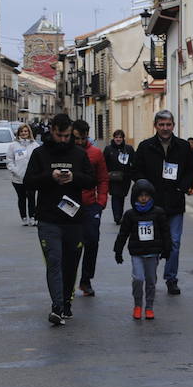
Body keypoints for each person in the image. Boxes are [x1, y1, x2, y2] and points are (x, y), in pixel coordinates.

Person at [23, 113, 95, 326]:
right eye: (59, 135)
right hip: (48, 219)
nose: (63, 139)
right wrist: (49, 177)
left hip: (74, 219)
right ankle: (57, 306)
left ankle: (66, 302)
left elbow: (91, 180)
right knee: (54, 262)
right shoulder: (39, 154)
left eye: (66, 135)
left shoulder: (79, 154)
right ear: (52, 131)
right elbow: (28, 182)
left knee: (71, 264)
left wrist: (74, 177)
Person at [132, 110, 193, 295]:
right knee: (152, 242)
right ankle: (150, 279)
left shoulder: (184, 147)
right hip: (152, 204)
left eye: (168, 124)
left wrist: (182, 187)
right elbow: (136, 171)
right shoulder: (145, 147)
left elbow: (191, 170)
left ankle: (171, 278)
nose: (165, 128)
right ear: (155, 126)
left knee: (174, 242)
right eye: (161, 124)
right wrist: (145, 189)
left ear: (173, 125)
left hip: (175, 202)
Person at [114, 179, 171, 320]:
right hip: (137, 253)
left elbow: (165, 232)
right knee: (138, 279)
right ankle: (138, 305)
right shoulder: (130, 214)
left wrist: (167, 249)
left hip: (153, 253)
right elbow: (123, 233)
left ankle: (149, 307)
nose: (144, 198)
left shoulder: (158, 213)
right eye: (140, 195)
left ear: (151, 196)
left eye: (146, 195)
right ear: (135, 197)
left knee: (151, 281)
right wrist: (118, 251)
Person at [72, 119, 109, 297]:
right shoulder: (67, 152)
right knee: (71, 245)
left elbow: (103, 178)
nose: (79, 141)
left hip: (90, 206)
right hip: (69, 206)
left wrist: (100, 203)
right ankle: (69, 280)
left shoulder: (95, 153)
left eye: (82, 138)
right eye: (76, 138)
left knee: (92, 242)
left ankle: (86, 281)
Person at [6, 124, 40, 226]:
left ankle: (33, 217)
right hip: (18, 178)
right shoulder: (13, 146)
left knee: (31, 197)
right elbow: (9, 160)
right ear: (18, 133)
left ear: (29, 132)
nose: (24, 133)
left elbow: (39, 161)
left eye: (26, 131)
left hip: (31, 178)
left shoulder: (35, 145)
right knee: (21, 198)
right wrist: (15, 170)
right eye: (22, 131)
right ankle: (24, 217)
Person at [103, 129, 135, 224]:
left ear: (123, 138)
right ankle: (117, 216)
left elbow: (134, 161)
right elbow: (103, 163)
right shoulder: (108, 149)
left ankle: (119, 215)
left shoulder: (128, 149)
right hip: (112, 178)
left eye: (120, 137)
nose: (118, 139)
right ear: (113, 138)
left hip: (125, 178)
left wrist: (133, 173)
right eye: (116, 137)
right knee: (115, 196)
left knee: (121, 196)